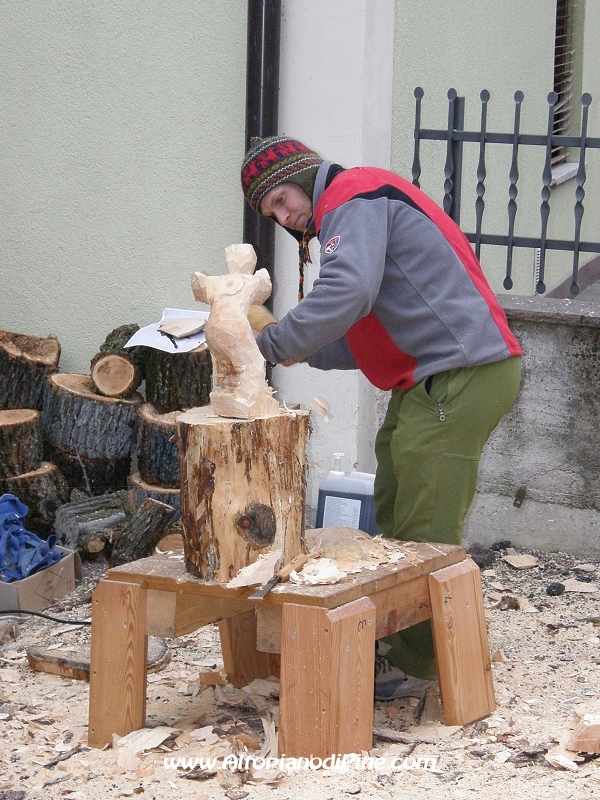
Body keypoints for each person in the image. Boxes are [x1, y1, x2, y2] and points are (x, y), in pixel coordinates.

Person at [241, 135, 522, 699]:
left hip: (462, 373)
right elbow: (363, 333)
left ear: (303, 173)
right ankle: (404, 644)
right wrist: (290, 346)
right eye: (271, 211)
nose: (285, 214)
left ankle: (425, 667)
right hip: (434, 376)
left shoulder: (353, 194)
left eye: (281, 198)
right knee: (395, 495)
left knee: (426, 526)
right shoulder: (356, 207)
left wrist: (273, 343)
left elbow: (349, 291)